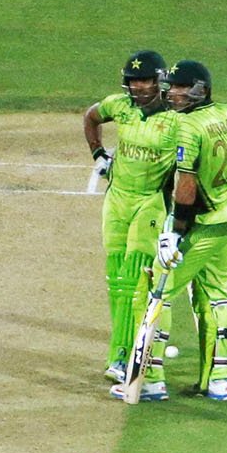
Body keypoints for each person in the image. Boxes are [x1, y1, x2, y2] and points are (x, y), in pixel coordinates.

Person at [120, 60, 227, 402]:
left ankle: (151, 381)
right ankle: (219, 379)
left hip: (204, 225)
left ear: (199, 90)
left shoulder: (188, 128)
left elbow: (186, 186)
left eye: (180, 88)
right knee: (217, 294)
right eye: (171, 87)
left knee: (154, 294)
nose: (173, 93)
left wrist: (176, 231)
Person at [82, 51, 179, 381]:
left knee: (136, 279)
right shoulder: (119, 106)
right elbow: (91, 117)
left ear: (159, 81)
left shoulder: (176, 117)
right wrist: (98, 154)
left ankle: (123, 355)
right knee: (116, 279)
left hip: (150, 201)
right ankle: (123, 350)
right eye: (133, 81)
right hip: (117, 201)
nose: (138, 87)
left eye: (145, 80)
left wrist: (225, 172)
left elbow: (201, 145)